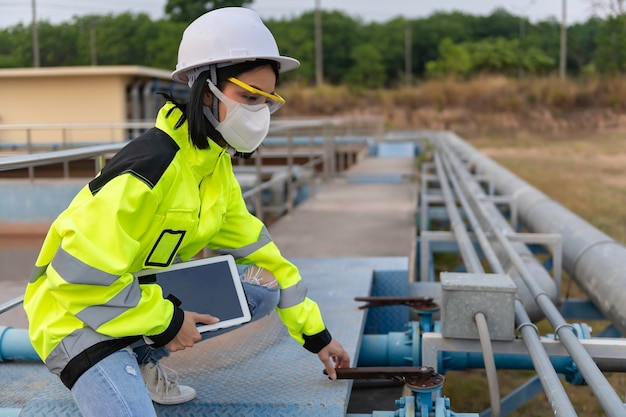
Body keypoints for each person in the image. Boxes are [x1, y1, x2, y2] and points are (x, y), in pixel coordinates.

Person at [23, 7, 350, 417]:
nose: (259, 113)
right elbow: (79, 282)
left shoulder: (213, 166)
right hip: (76, 319)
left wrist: (317, 336)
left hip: (136, 302)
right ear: (205, 87)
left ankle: (141, 358)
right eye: (249, 97)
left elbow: (267, 259)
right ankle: (125, 359)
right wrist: (166, 322)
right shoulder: (147, 171)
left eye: (268, 102)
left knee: (261, 292)